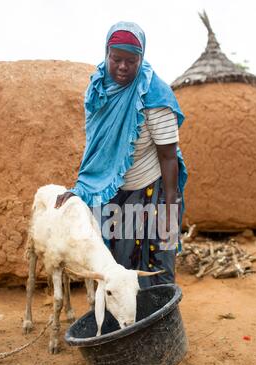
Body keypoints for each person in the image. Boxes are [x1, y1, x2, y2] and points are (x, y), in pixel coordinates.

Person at [55, 21, 187, 288]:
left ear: (142, 58)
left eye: (131, 60)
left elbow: (169, 157)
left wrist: (170, 207)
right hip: (112, 191)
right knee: (115, 266)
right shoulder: (98, 89)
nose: (123, 67)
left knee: (156, 264)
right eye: (116, 59)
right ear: (106, 53)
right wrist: (83, 189)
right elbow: (98, 147)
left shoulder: (155, 96)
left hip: (153, 188)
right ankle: (124, 324)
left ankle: (158, 324)